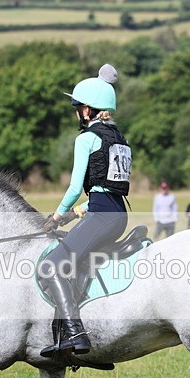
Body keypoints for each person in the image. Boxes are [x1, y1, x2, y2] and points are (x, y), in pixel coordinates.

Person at [39, 64, 131, 359]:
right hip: (116, 215)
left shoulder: (86, 139)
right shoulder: (119, 139)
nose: (76, 112)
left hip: (102, 217)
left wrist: (55, 216)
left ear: (88, 110)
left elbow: (75, 187)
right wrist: (73, 215)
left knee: (50, 266)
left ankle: (76, 334)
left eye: (78, 107)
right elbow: (104, 191)